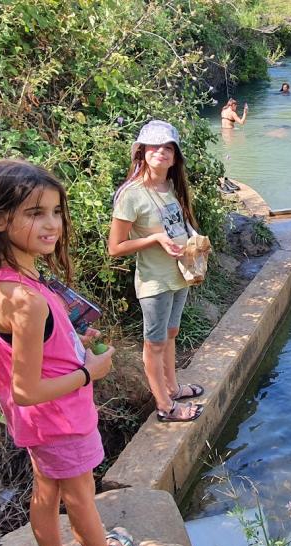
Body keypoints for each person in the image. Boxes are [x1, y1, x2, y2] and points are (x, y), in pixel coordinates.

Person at [0, 159, 133, 546]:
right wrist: (87, 372)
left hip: (41, 426)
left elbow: (30, 352)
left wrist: (71, 337)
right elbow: (27, 389)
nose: (52, 224)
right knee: (80, 494)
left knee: (47, 489)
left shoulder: (6, 283)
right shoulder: (26, 298)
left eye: (56, 211)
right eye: (35, 213)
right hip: (60, 418)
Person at [108, 120, 205, 423]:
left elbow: (178, 226)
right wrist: (154, 239)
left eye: (168, 147)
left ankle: (173, 387)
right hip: (154, 282)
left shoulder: (172, 187)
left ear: (175, 157)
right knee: (155, 342)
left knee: (171, 334)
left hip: (180, 275)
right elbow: (115, 247)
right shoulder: (131, 194)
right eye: (154, 146)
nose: (161, 151)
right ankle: (164, 405)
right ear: (142, 152)